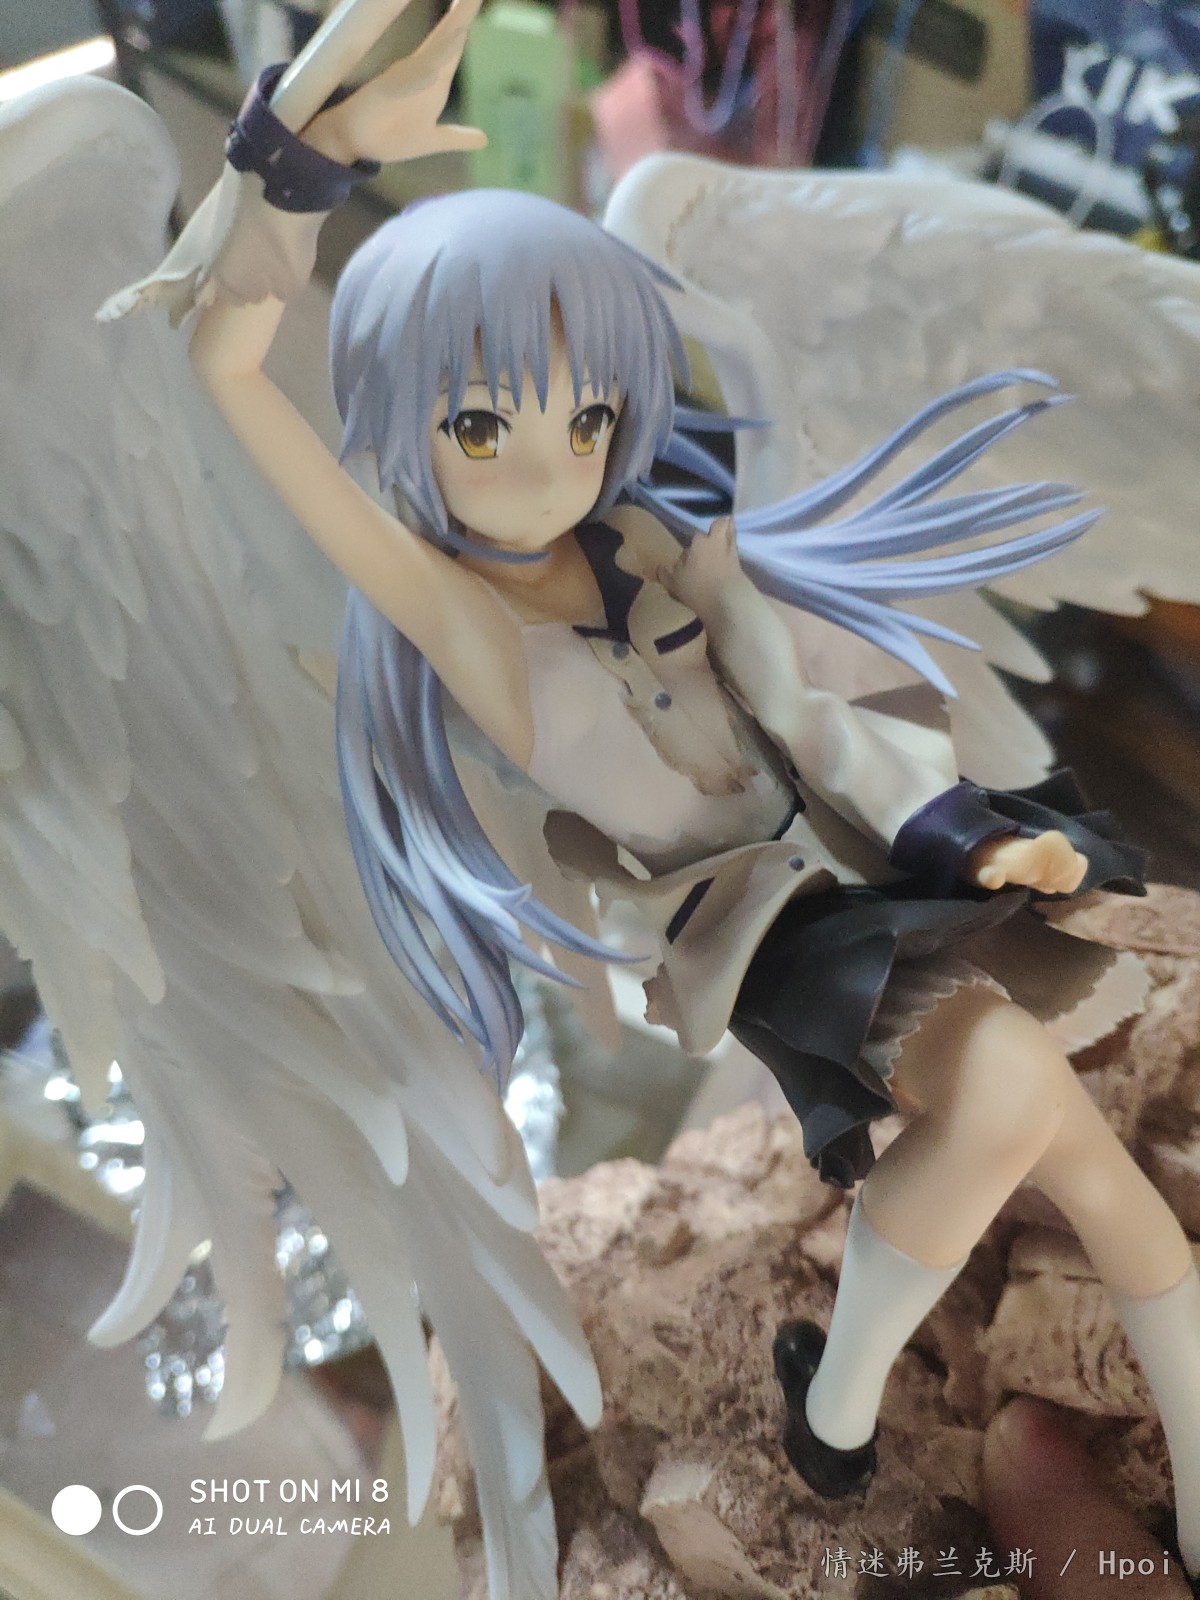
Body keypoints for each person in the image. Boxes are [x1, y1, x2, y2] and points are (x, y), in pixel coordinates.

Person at [186, 0, 1200, 1579]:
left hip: (856, 866)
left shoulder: (646, 541)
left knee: (1091, 1167)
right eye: (482, 424)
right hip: (760, 937)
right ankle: (836, 1409)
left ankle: (1145, 1453)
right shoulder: (459, 619)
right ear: (407, 423)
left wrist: (966, 832)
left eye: (586, 415)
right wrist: (302, 153)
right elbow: (228, 360)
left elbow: (804, 715)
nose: (549, 467)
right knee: (1007, 1083)